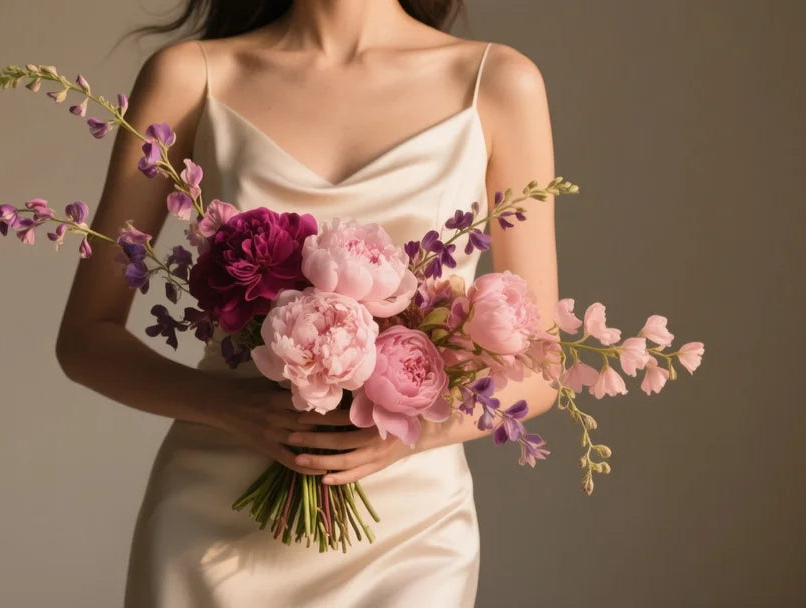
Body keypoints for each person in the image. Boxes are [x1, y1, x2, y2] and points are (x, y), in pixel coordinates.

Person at [54, 1, 560, 606]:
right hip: (214, 521)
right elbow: (85, 336)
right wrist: (229, 407)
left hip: (409, 531)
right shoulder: (191, 77)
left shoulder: (497, 83)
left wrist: (404, 435)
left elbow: (541, 363)